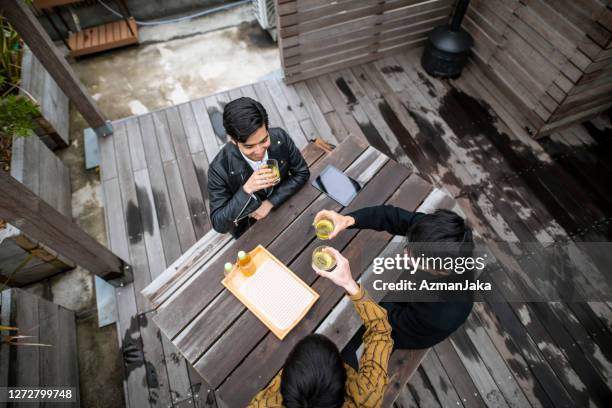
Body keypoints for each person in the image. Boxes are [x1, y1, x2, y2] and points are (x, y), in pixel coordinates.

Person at [314, 206, 474, 378]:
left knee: (349, 339)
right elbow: (391, 216)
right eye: (410, 247)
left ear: (441, 271)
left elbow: (385, 323)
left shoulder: (442, 312)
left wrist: (352, 286)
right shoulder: (436, 235)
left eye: (415, 258)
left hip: (412, 328)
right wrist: (347, 220)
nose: (405, 254)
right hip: (414, 297)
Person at [248, 247, 393, 408]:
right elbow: (380, 331)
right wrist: (349, 284)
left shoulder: (261, 405)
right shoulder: (367, 398)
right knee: (348, 345)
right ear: (343, 383)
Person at [208, 97, 310, 238]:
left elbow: (302, 173)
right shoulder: (218, 169)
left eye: (264, 140)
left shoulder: (280, 136)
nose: (259, 151)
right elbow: (219, 224)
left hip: (286, 206)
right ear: (232, 139)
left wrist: (270, 202)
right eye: (249, 146)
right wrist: (247, 190)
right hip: (251, 228)